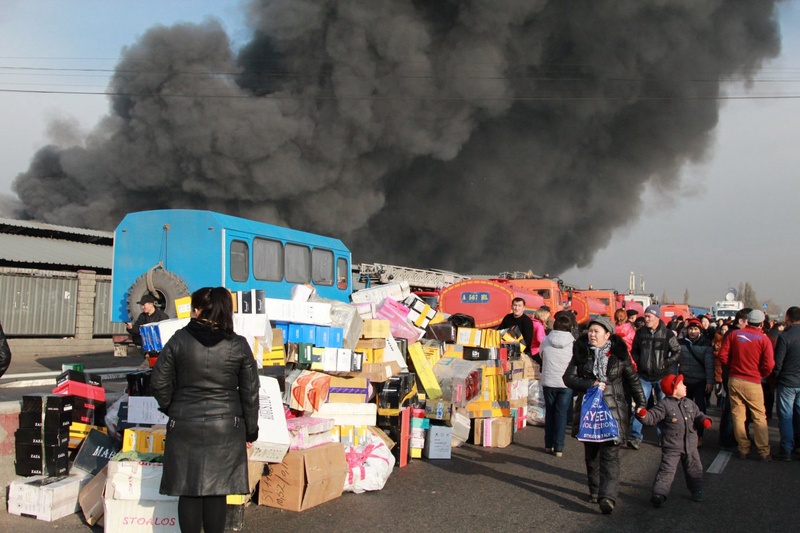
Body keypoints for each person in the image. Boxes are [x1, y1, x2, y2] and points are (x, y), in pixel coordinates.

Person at [152, 287, 260, 533]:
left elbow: (158, 382)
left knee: (187, 490)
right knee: (216, 490)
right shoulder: (238, 344)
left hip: (184, 422)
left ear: (198, 310)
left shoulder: (179, 339)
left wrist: (173, 407)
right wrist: (250, 432)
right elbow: (251, 392)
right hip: (225, 427)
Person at [563, 315, 647, 515]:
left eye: (596, 331)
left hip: (613, 410)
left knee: (610, 455)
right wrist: (589, 384)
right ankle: (594, 491)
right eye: (590, 331)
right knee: (592, 455)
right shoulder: (581, 353)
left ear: (607, 335)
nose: (592, 335)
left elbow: (633, 380)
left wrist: (641, 403)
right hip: (589, 411)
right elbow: (568, 378)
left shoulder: (619, 355)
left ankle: (607, 497)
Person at [636, 374, 711, 507]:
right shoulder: (664, 404)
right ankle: (659, 494)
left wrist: (704, 420)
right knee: (666, 470)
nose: (685, 386)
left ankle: (697, 490)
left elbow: (698, 414)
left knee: (695, 469)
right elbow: (651, 418)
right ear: (674, 388)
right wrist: (643, 415)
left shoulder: (689, 403)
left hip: (691, 445)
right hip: (672, 446)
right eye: (682, 384)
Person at [718, 309, 775, 461]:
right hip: (753, 381)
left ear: (747, 320)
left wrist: (732, 367)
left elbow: (722, 355)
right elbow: (769, 364)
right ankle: (763, 451)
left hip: (735, 379)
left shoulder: (735, 335)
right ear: (762, 323)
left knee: (738, 415)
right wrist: (762, 373)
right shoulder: (763, 339)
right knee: (759, 416)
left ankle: (743, 448)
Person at [628, 305, 681, 450]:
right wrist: (640, 362)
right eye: (645, 316)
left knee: (663, 407)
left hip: (661, 376)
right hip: (644, 376)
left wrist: (666, 363)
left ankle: (662, 436)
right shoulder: (640, 333)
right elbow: (634, 351)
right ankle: (635, 436)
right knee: (641, 404)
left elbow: (677, 352)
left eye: (649, 316)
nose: (646, 319)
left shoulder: (668, 334)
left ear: (657, 317)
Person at [540, 314, 575, 457]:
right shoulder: (573, 342)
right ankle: (558, 447)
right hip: (566, 383)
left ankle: (548, 445)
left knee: (550, 412)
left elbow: (542, 355)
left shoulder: (545, 340)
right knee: (561, 415)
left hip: (548, 380)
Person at [678, 318, 714, 446]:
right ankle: (683, 434)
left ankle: (699, 435)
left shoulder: (706, 344)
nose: (693, 332)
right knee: (682, 408)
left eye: (696, 329)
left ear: (700, 331)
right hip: (685, 381)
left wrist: (710, 382)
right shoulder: (680, 343)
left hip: (700, 381)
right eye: (691, 329)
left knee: (700, 408)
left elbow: (709, 365)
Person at [773, 306, 800, 461]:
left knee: (786, 416)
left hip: (788, 382)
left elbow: (778, 362)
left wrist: (776, 377)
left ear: (788, 317)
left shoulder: (785, 336)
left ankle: (786, 449)